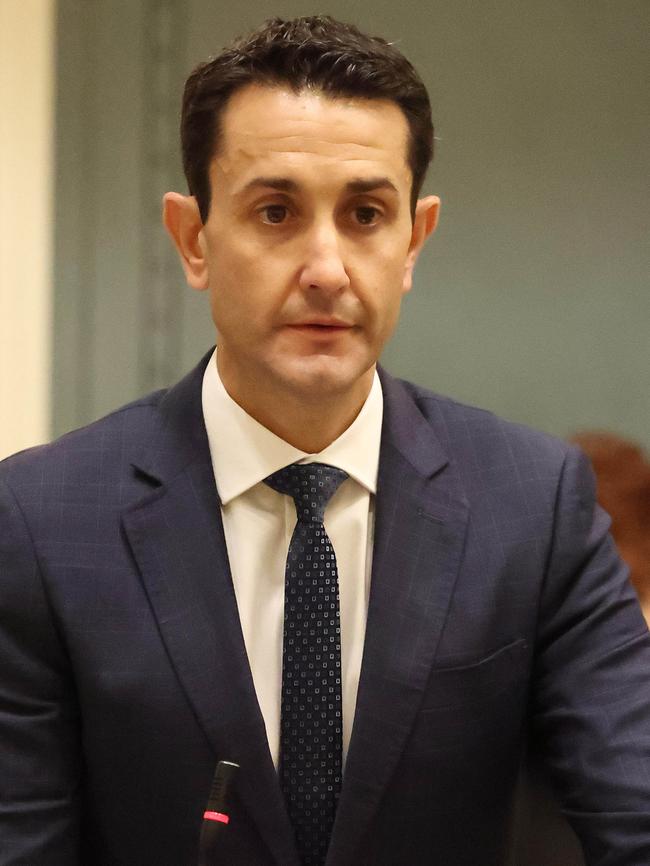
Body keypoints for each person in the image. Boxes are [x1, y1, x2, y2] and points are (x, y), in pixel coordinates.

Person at [1, 15, 649, 866]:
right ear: (194, 239)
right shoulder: (42, 519)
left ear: (414, 240)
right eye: (275, 211)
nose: (327, 267)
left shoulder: (534, 504)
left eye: (366, 214)